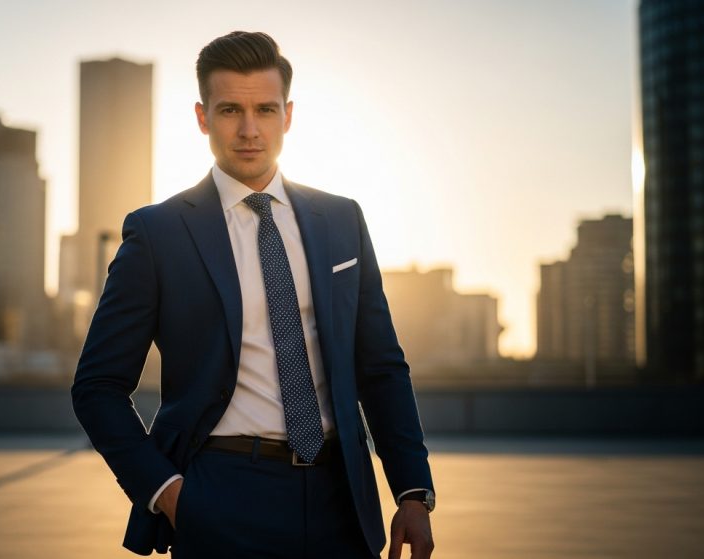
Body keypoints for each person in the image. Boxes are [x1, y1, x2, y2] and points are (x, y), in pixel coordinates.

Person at [72, 31, 436, 559]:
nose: (249, 130)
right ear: (202, 118)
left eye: (265, 109)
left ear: (287, 115)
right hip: (221, 493)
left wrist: (411, 491)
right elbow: (97, 387)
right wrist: (169, 495)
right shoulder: (159, 233)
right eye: (229, 111)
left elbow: (380, 366)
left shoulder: (341, 220)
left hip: (342, 497)